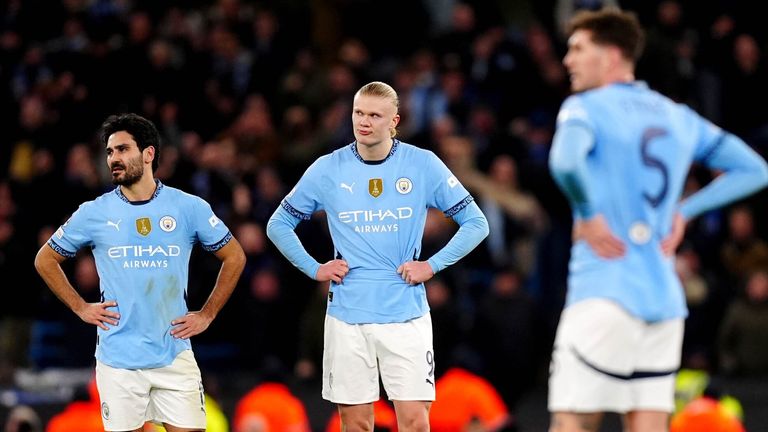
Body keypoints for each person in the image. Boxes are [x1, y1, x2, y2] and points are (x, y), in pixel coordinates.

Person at [547, 8, 768, 432]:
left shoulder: (585, 107)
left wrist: (590, 214)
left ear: (611, 56)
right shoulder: (677, 115)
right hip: (664, 300)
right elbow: (754, 170)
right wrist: (685, 211)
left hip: (604, 289)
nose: (567, 61)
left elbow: (565, 162)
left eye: (577, 49)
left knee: (571, 422)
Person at [266, 81, 489, 432]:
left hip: (406, 313)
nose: (364, 121)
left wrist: (431, 265)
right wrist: (314, 268)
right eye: (358, 112)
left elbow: (476, 223)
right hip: (347, 315)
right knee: (355, 423)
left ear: (394, 121)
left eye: (374, 115)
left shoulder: (422, 164)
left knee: (415, 421)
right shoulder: (328, 168)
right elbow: (278, 224)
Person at [34, 113, 246, 432]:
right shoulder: (94, 212)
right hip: (118, 361)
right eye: (109, 152)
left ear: (148, 154)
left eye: (122, 149)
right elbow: (45, 259)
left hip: (174, 355)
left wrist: (208, 313)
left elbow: (235, 256)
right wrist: (80, 306)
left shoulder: (188, 208)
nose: (114, 159)